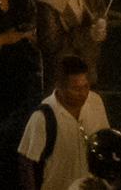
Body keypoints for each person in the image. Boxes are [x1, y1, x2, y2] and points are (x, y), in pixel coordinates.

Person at [20, 55, 110, 190]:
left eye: (86, 86)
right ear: (59, 86)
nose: (83, 93)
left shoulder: (95, 102)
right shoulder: (43, 117)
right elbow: (27, 162)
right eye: (76, 89)